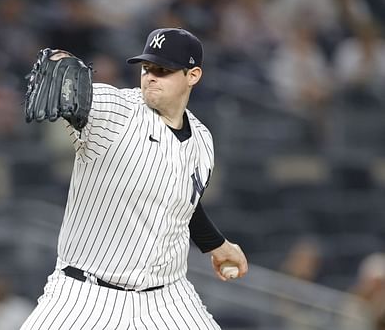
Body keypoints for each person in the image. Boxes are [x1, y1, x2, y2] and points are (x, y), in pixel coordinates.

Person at [20, 27, 248, 330]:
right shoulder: (117, 112)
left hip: (167, 299)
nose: (150, 76)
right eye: (146, 67)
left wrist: (217, 245)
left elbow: (184, 203)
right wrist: (64, 62)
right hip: (84, 296)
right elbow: (86, 101)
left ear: (192, 76)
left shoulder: (202, 139)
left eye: (163, 69)